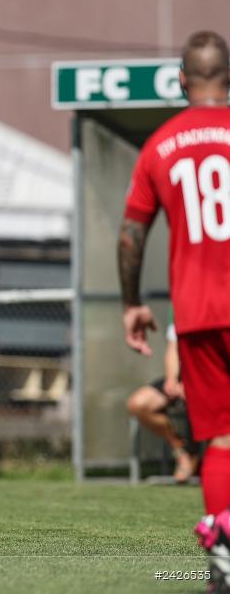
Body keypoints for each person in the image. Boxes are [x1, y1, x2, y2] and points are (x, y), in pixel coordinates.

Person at [118, 30, 230, 589]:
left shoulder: (161, 145)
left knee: (223, 439)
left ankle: (223, 562)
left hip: (201, 313)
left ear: (182, 80)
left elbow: (131, 234)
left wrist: (133, 303)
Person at [126, 320, 198, 483]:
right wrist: (173, 381)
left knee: (198, 400)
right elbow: (173, 349)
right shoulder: (182, 309)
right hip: (184, 377)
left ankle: (200, 457)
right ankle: (181, 450)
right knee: (138, 404)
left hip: (212, 377)